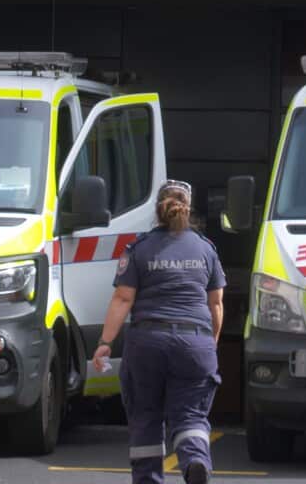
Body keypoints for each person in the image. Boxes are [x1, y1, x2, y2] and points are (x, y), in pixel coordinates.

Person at [92, 180, 226, 484]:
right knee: (190, 414)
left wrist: (104, 343)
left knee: (146, 415)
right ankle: (194, 460)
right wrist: (210, 344)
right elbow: (215, 303)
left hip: (147, 343)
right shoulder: (206, 249)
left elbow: (123, 299)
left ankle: (149, 480)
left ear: (157, 209)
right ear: (188, 208)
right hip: (195, 342)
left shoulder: (140, 248)